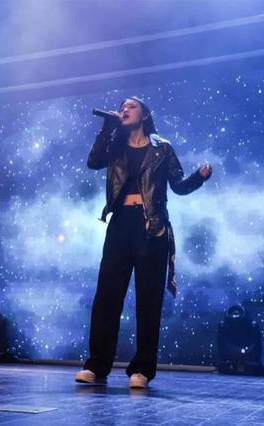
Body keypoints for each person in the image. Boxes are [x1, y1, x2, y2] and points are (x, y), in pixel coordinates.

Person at [75, 97, 212, 388]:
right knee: (107, 297)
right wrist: (107, 127)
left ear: (145, 115)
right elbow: (93, 162)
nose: (124, 109)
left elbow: (178, 186)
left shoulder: (162, 148)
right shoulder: (114, 145)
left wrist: (198, 178)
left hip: (152, 226)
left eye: (131, 106)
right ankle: (97, 365)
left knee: (149, 300)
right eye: (122, 107)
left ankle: (142, 370)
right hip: (120, 224)